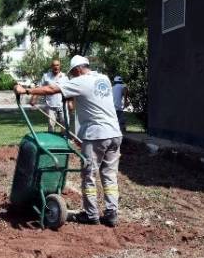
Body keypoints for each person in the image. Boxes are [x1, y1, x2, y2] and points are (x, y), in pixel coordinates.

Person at [14, 55, 123, 227]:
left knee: (89, 175)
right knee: (109, 175)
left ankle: (91, 214)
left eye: (73, 73)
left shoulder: (81, 81)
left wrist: (26, 91)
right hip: (115, 134)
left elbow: (51, 89)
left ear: (78, 69)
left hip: (96, 135)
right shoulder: (104, 79)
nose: (72, 76)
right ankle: (111, 214)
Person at [29, 59, 69, 132]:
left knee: (64, 123)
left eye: (57, 65)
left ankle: (64, 139)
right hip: (50, 104)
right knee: (51, 124)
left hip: (62, 105)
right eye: (54, 65)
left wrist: (70, 103)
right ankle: (52, 140)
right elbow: (39, 88)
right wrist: (33, 99)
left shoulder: (65, 77)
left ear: (60, 66)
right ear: (51, 67)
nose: (56, 67)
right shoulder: (46, 76)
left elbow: (69, 91)